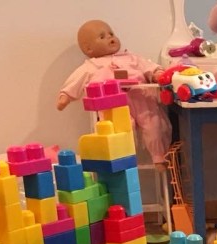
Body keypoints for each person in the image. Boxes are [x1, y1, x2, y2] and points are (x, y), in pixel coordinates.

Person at [56, 20, 172, 167]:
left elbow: (148, 66)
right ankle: (123, 160)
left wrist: (157, 73)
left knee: (154, 125)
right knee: (120, 132)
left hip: (142, 101)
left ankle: (159, 157)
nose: (110, 38)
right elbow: (76, 80)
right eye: (102, 36)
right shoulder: (91, 66)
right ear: (89, 49)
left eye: (111, 34)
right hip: (113, 107)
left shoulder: (131, 58)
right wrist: (65, 96)